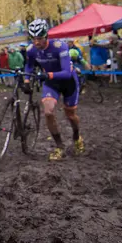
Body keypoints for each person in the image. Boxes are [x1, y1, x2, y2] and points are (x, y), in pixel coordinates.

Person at [23, 19, 83, 161]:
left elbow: (66, 72)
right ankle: (60, 147)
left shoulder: (59, 47)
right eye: (33, 39)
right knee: (48, 112)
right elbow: (29, 66)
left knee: (71, 115)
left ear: (46, 36)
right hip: (52, 82)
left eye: (40, 39)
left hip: (68, 81)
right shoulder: (31, 50)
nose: (37, 42)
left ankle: (76, 137)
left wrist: (47, 74)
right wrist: (26, 80)